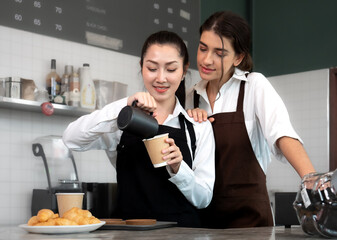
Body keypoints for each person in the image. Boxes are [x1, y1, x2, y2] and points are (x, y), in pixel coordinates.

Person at [63, 31, 215, 227]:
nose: (161, 78)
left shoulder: (198, 127)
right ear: (142, 67)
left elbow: (204, 199)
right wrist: (125, 106)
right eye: (152, 68)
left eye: (171, 69)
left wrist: (179, 169)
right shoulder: (121, 123)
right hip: (129, 235)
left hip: (183, 234)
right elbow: (71, 139)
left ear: (184, 70)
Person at [185, 11, 316, 228]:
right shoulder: (190, 97)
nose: (206, 60)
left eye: (219, 53)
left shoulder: (254, 86)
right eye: (202, 48)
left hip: (251, 221)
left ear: (238, 58)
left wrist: (311, 179)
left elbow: (282, 132)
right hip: (202, 221)